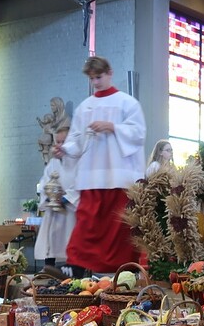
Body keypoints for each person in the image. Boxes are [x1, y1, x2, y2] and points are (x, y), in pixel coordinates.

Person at [54, 56, 145, 276]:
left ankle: (125, 275)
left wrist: (113, 127)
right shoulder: (85, 107)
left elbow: (138, 133)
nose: (96, 82)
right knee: (88, 224)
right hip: (92, 176)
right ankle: (75, 270)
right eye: (92, 78)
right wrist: (64, 149)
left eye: (99, 77)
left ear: (110, 73)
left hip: (120, 176)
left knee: (119, 228)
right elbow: (77, 139)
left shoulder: (127, 103)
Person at [36, 125, 78, 275]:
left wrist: (65, 199)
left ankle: (71, 269)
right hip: (53, 210)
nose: (59, 146)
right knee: (50, 237)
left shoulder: (78, 162)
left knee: (70, 238)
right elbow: (44, 182)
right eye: (57, 142)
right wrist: (49, 197)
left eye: (63, 142)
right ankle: (48, 267)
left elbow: (80, 185)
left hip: (70, 210)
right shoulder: (53, 163)